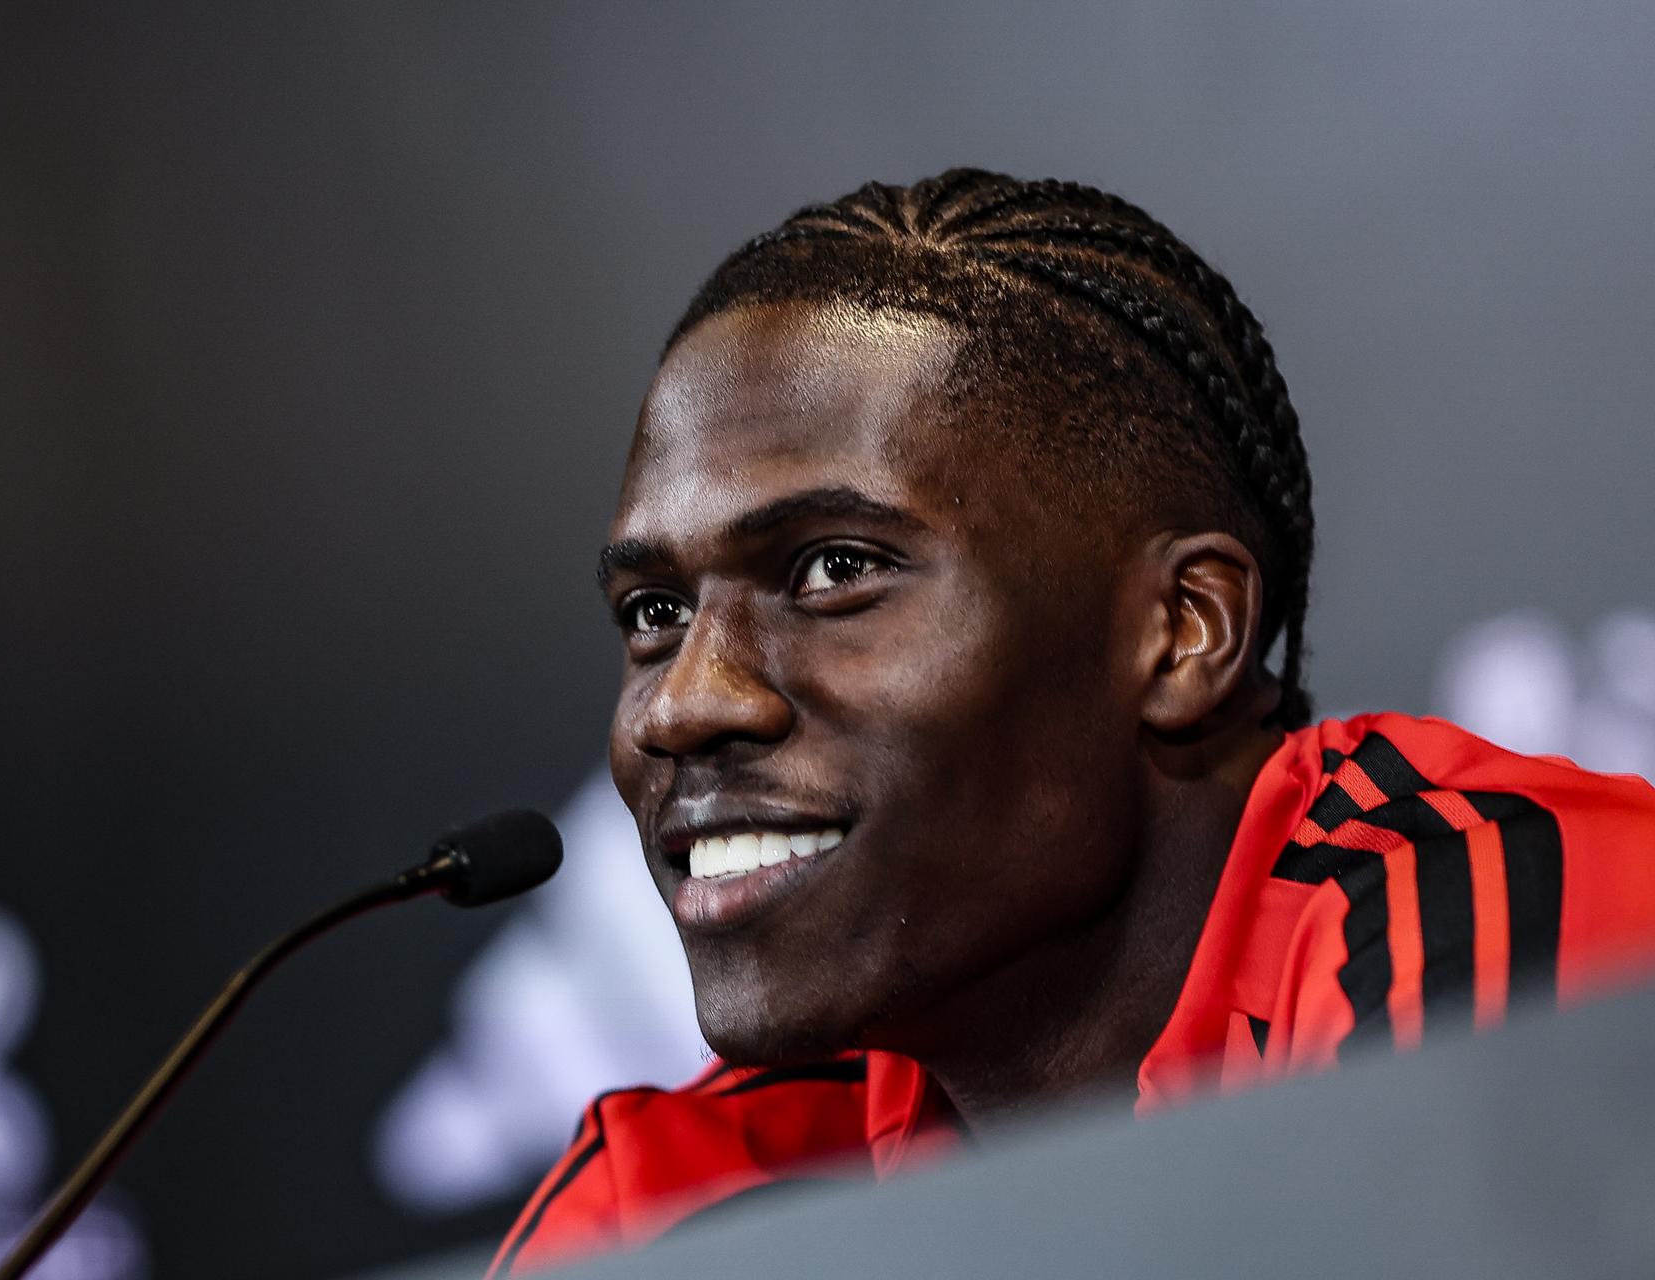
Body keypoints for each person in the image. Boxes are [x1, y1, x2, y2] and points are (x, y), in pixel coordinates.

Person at [486, 170, 1655, 1276]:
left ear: (1182, 629)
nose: (686, 701)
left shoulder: (1506, 909)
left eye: (835, 567)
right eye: (652, 611)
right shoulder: (684, 1193)